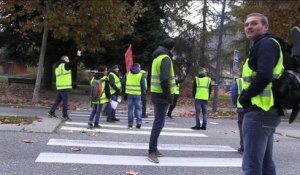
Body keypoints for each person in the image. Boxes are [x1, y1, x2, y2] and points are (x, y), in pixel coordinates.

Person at [239, 13, 284, 175]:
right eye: (246, 24)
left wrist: (245, 96)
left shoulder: (265, 44)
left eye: (254, 23)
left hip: (259, 110)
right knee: (265, 163)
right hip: (266, 110)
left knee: (251, 165)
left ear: (265, 27)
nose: (249, 27)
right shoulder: (266, 44)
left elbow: (264, 76)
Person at [147, 38, 176, 164]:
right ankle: (152, 151)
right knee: (158, 123)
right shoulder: (166, 58)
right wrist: (169, 97)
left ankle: (154, 148)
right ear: (171, 48)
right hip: (162, 95)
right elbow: (165, 80)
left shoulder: (157, 58)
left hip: (156, 93)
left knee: (159, 122)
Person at [48, 50, 81, 121]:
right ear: (64, 59)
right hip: (64, 87)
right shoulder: (64, 66)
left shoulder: (58, 67)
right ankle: (64, 115)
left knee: (58, 100)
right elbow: (73, 63)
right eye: (67, 59)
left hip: (60, 86)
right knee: (65, 101)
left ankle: (51, 112)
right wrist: (78, 55)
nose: (68, 60)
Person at [123, 63, 146, 129]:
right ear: (138, 67)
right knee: (138, 109)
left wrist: (125, 92)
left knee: (130, 109)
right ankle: (139, 123)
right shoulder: (140, 75)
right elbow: (143, 86)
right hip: (138, 94)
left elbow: (123, 83)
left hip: (129, 94)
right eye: (140, 67)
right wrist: (143, 93)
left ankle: (130, 124)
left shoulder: (127, 74)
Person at [231, 77, 244, 154]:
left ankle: (243, 147)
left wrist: (235, 103)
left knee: (242, 128)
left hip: (242, 108)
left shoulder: (239, 81)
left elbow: (234, 94)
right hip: (255, 109)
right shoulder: (259, 77)